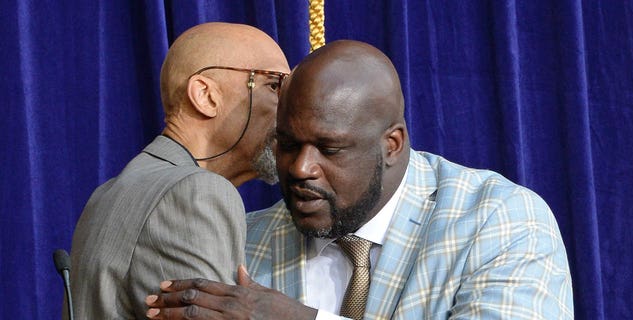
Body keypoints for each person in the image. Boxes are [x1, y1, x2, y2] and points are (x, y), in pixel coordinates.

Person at [145, 40, 574, 319]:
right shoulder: (243, 240)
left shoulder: (500, 220)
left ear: (392, 145)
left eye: (329, 150)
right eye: (288, 144)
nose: (300, 169)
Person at [66, 22, 290, 319]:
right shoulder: (194, 192)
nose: (289, 108)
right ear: (206, 96)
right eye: (274, 85)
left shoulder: (112, 190)